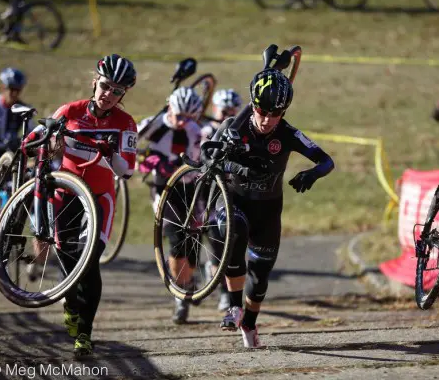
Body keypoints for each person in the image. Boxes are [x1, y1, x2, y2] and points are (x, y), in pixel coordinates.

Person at [22, 54, 137, 358]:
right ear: (94, 82)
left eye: (117, 91)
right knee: (68, 260)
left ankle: (85, 334)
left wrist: (111, 153)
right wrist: (43, 137)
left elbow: (127, 171)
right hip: (67, 194)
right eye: (105, 86)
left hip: (100, 199)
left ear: (123, 95)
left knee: (90, 262)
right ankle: (71, 302)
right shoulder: (70, 110)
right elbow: (32, 143)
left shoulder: (126, 123)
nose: (108, 95)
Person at [211, 69, 334, 348]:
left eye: (274, 114)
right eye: (261, 111)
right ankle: (232, 307)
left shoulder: (288, 133)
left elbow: (326, 160)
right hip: (233, 201)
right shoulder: (234, 125)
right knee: (236, 231)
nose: (266, 120)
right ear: (253, 105)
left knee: (260, 277)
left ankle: (250, 324)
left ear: (284, 111)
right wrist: (236, 166)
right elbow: (208, 159)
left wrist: (311, 174)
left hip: (268, 211)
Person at [137, 86, 203, 324]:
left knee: (194, 242)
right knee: (176, 240)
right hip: (165, 190)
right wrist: (147, 160)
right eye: (178, 114)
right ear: (170, 106)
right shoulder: (153, 123)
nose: (181, 121)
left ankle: (189, 279)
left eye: (188, 117)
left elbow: (198, 161)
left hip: (191, 188)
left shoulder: (195, 130)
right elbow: (129, 148)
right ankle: (180, 295)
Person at [201, 88, 243, 312]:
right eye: (223, 109)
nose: (226, 112)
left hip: (228, 190)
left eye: (231, 109)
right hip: (204, 189)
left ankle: (227, 294)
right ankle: (213, 275)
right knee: (213, 240)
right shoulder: (204, 128)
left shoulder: (239, 129)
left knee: (225, 241)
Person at [0, 67, 29, 178]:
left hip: (9, 154)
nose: (14, 94)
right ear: (3, 87)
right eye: (11, 89)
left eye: (18, 90)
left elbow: (32, 131)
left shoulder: (23, 109)